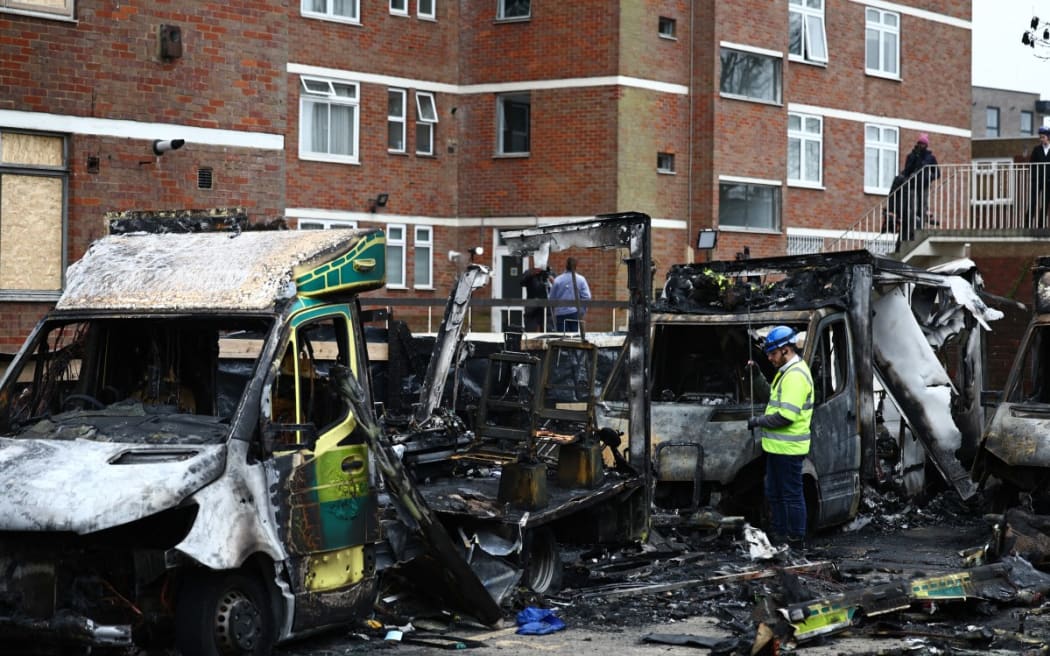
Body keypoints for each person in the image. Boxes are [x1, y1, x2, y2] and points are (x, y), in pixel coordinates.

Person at [745, 326, 814, 550]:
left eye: (773, 353)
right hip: (777, 448)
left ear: (785, 350)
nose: (770, 358)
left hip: (789, 449)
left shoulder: (795, 376)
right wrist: (756, 376)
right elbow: (772, 399)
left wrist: (758, 421)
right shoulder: (787, 371)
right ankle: (780, 536)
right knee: (775, 493)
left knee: (791, 495)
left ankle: (795, 540)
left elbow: (786, 416)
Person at [901, 133, 940, 231]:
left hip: (924, 185)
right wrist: (914, 158)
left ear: (926, 145)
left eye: (923, 144)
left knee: (923, 206)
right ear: (917, 144)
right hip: (913, 185)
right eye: (920, 143)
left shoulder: (930, 158)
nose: (921, 145)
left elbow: (937, 173)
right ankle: (913, 227)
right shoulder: (911, 156)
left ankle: (921, 227)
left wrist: (930, 177)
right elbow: (907, 170)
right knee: (913, 206)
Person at [548, 257, 591, 332]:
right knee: (574, 338)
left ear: (566, 265)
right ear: (576, 266)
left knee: (561, 338)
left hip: (560, 314)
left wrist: (555, 311)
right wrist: (581, 311)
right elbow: (587, 297)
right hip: (574, 312)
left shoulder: (558, 280)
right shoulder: (581, 279)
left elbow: (551, 298)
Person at [520, 265, 552, 331]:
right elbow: (521, 282)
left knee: (547, 328)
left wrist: (549, 277)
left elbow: (555, 284)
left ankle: (547, 340)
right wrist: (532, 273)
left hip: (545, 305)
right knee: (530, 328)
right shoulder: (529, 272)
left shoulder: (548, 272)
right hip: (531, 304)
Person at [1030, 126, 1050, 229]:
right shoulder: (1036, 149)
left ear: (1048, 137)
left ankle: (1040, 225)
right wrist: (1033, 178)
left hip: (1048, 182)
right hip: (1037, 180)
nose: (1041, 139)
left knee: (1045, 203)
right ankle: (1027, 223)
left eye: (1043, 137)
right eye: (1040, 137)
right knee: (1032, 202)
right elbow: (1032, 164)